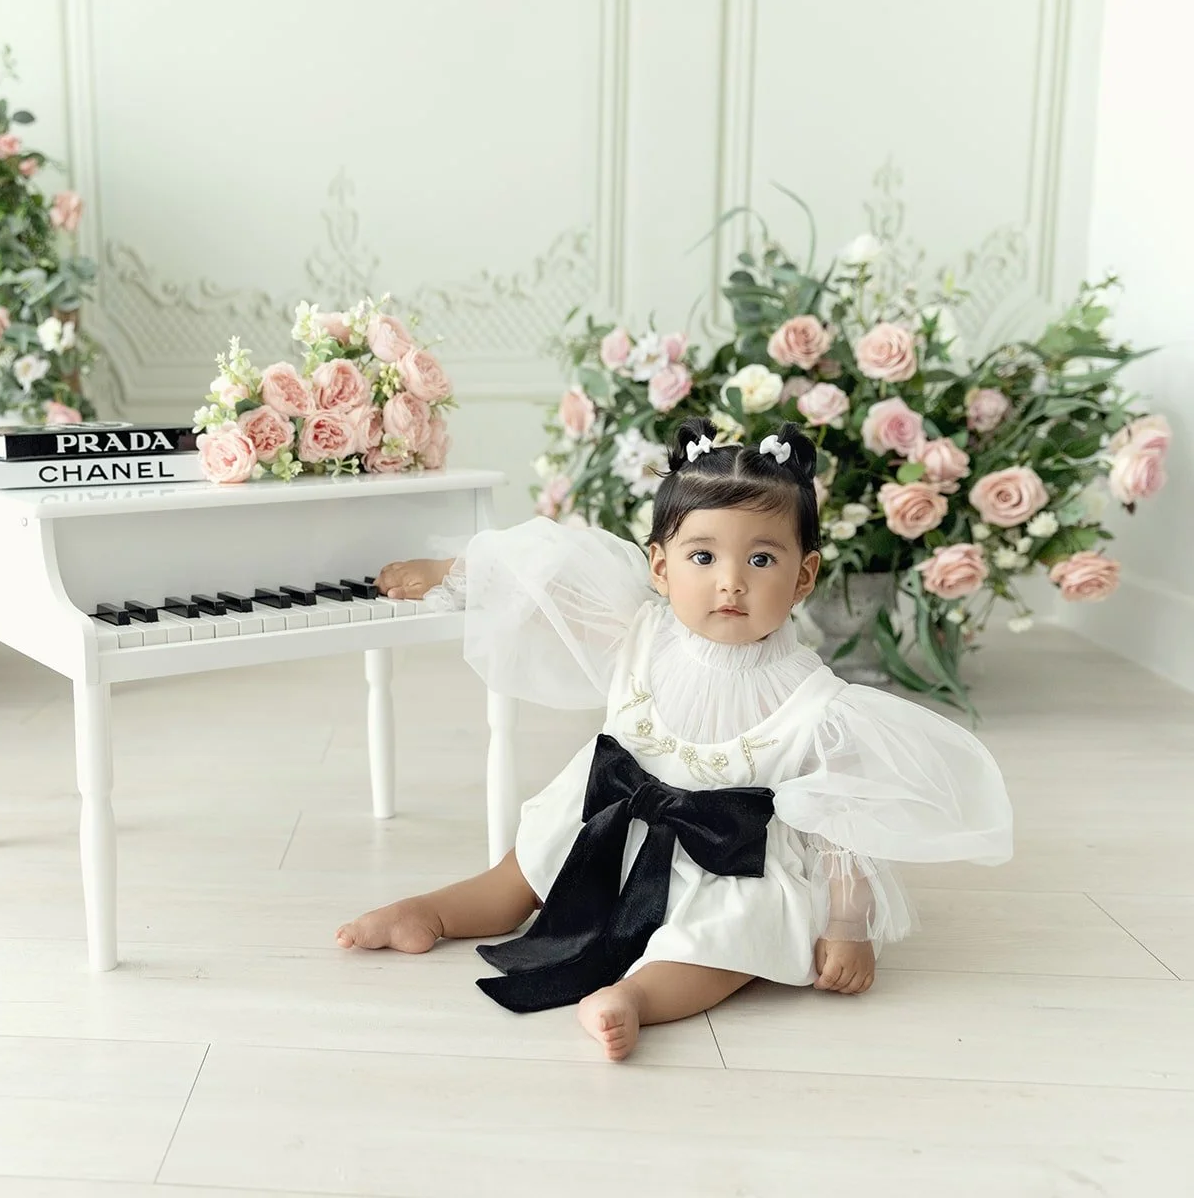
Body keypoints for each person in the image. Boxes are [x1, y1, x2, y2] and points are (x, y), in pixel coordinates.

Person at [337, 417, 1013, 1061]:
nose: (731, 581)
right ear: (660, 568)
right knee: (526, 870)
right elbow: (547, 590)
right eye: (703, 556)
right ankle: (431, 912)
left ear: (803, 576)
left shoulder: (818, 704)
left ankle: (635, 997)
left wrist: (847, 925)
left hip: (726, 865)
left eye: (761, 558)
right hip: (612, 825)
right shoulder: (639, 632)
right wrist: (454, 575)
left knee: (727, 944)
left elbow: (845, 818)